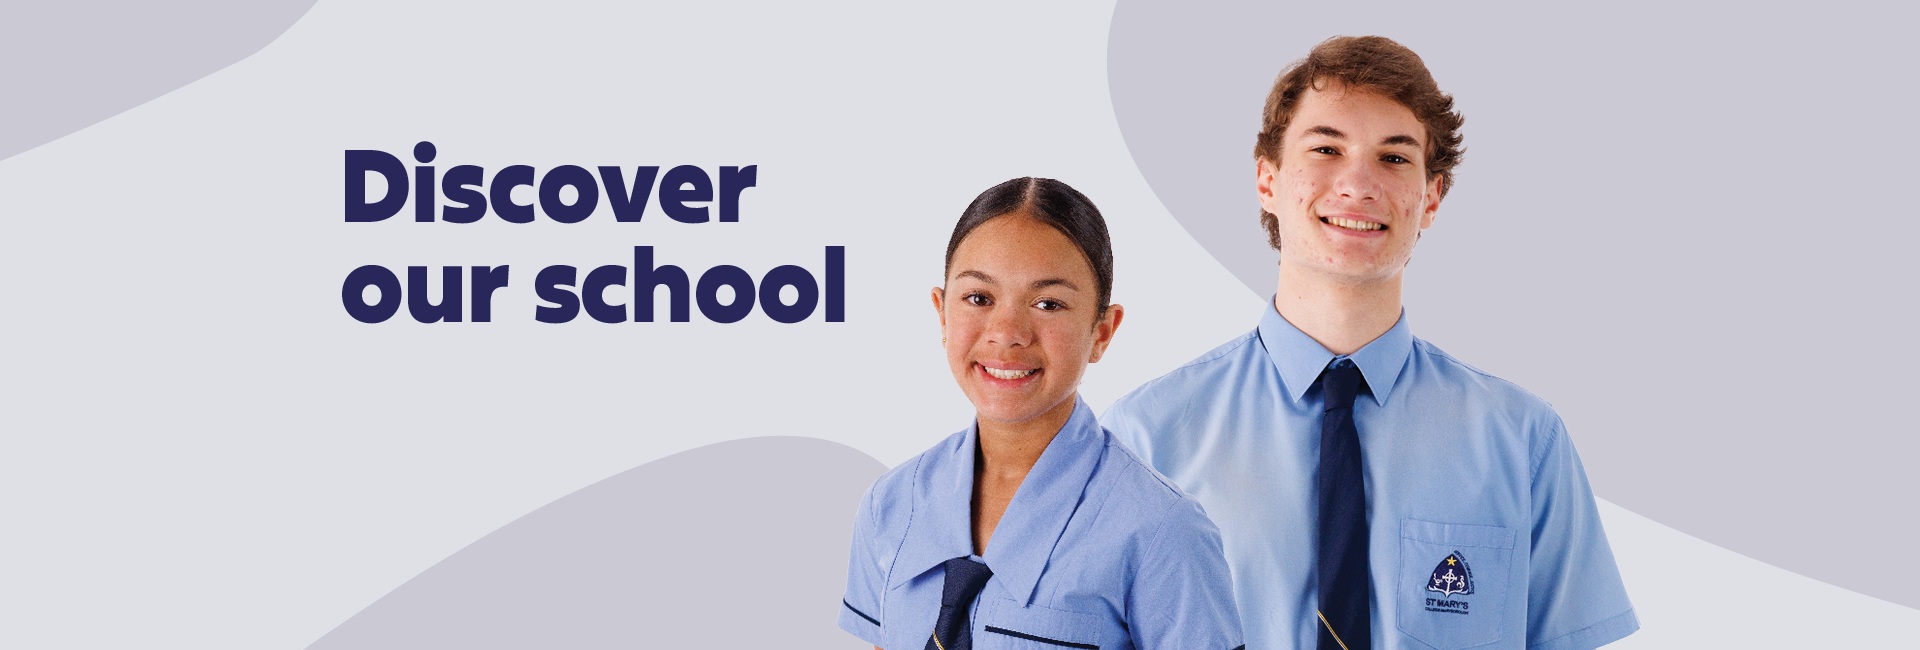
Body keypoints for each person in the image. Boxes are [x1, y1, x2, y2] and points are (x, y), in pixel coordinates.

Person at [1103, 36, 1638, 650]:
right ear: (1267, 180)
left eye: (1393, 157)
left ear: (1431, 197)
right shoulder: (1142, 440)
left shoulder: (1524, 442)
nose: (1358, 184)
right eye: (1326, 148)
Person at [837, 177, 1245, 650]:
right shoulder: (891, 504)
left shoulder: (1163, 531)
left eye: (1048, 303)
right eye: (979, 298)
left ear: (1102, 332)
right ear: (942, 314)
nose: (1007, 332)